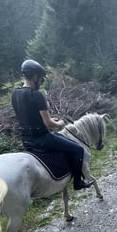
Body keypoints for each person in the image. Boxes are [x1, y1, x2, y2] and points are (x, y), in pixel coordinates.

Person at [12, 59, 94, 190]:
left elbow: (29, 117)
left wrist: (50, 120)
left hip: (27, 140)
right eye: (41, 79)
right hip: (42, 139)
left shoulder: (15, 94)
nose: (41, 82)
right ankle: (78, 182)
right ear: (35, 76)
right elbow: (48, 124)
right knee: (78, 149)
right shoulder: (36, 95)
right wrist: (60, 123)